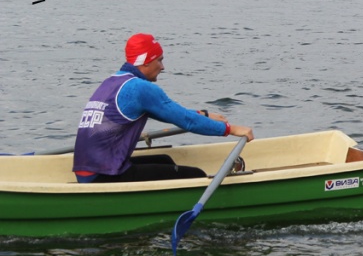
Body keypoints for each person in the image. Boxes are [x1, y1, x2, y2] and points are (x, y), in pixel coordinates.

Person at [73, 33, 254, 183]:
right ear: (146, 62)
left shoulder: (112, 82)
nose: (163, 67)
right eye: (159, 60)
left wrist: (204, 114)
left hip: (88, 171)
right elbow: (187, 121)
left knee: (165, 161)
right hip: (104, 175)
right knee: (196, 175)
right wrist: (231, 129)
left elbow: (172, 113)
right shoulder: (140, 88)